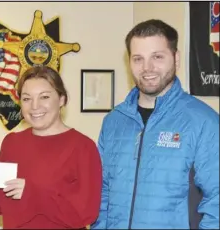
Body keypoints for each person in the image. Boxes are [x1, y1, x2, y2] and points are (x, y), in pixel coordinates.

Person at [91, 19, 219, 229]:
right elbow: (102, 193)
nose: (147, 68)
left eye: (157, 57)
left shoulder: (203, 122)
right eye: (138, 59)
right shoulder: (113, 121)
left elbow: (217, 202)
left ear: (176, 58)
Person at [0, 66, 103, 229]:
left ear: (62, 99)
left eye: (44, 97)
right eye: (26, 99)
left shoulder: (83, 147)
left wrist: (34, 195)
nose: (35, 106)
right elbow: (0, 197)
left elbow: (86, 212)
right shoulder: (12, 143)